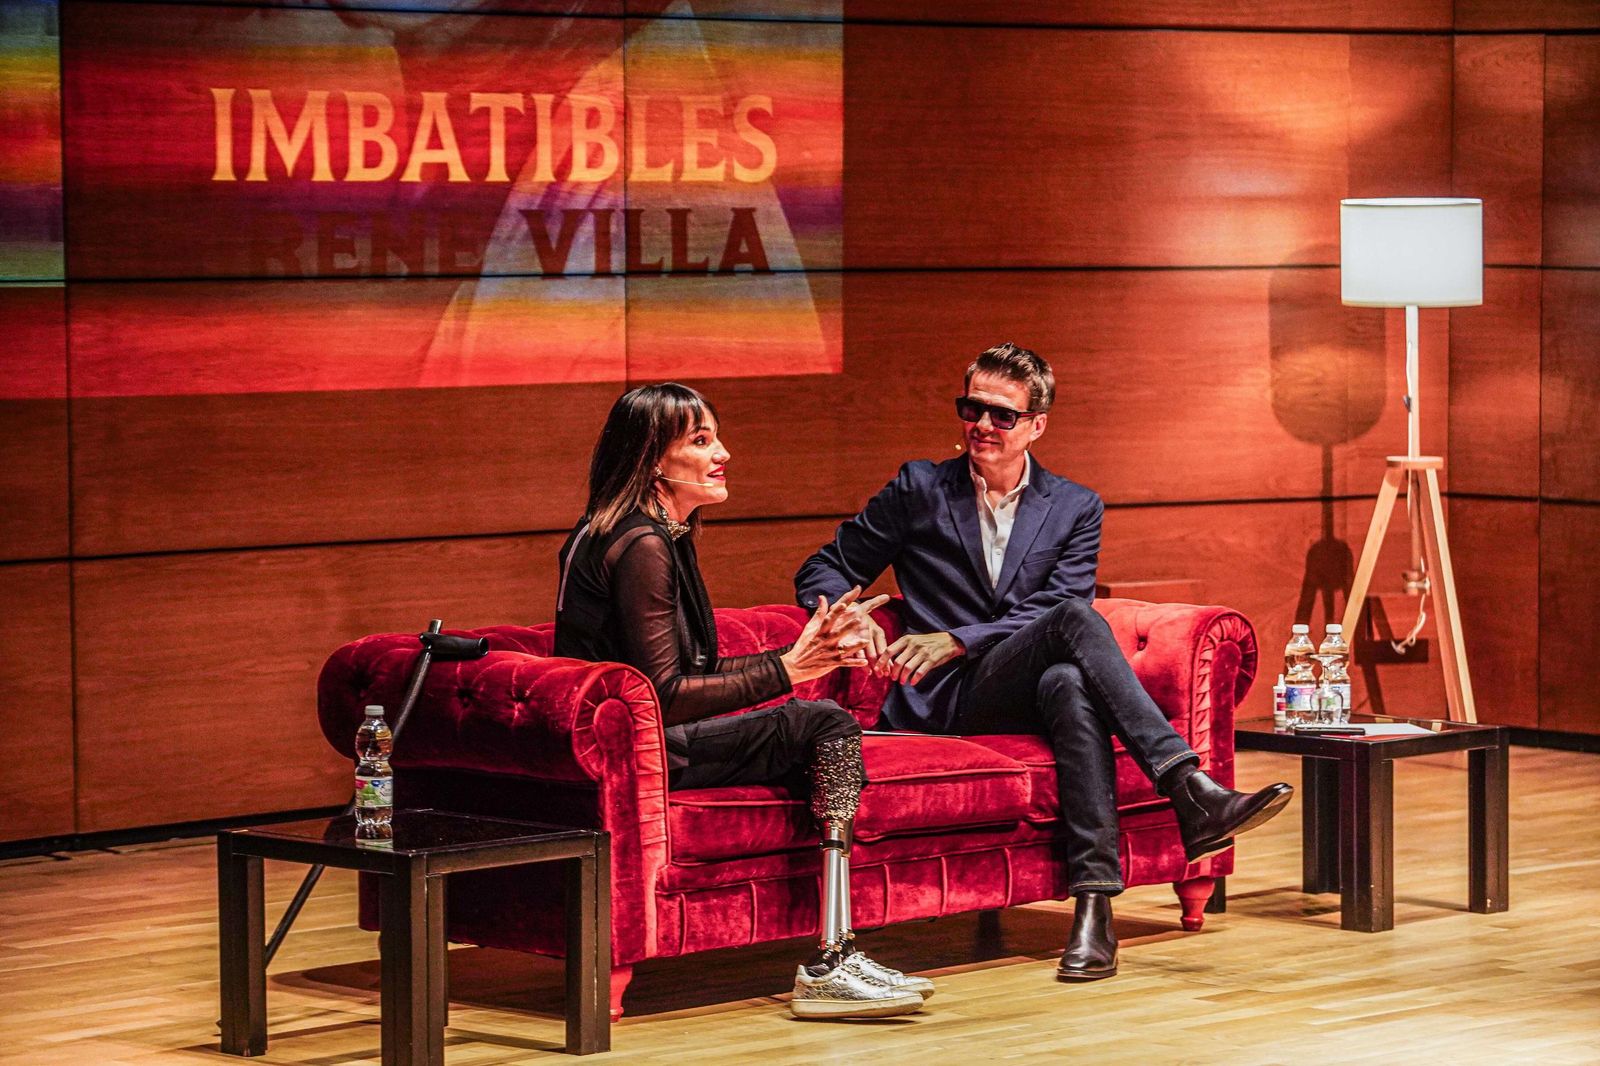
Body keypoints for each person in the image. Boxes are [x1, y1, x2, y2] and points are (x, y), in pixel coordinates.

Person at [795, 342, 1293, 981]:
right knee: (1074, 624)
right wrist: (846, 610)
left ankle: (1094, 909)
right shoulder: (919, 487)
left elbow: (1057, 608)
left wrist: (958, 637)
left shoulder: (1074, 506)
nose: (983, 425)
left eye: (1003, 415)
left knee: (1066, 680)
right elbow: (824, 566)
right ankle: (1187, 790)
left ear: (1036, 425)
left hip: (1013, 680)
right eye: (972, 408)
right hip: (943, 697)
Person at [554, 382, 934, 1019]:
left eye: (717, 437)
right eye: (701, 442)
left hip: (635, 746)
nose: (722, 453)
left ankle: (831, 947)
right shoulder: (642, 544)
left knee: (814, 727)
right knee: (827, 723)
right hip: (641, 754)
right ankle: (830, 959)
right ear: (653, 459)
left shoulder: (643, 533)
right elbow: (667, 697)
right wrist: (790, 669)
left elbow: (686, 671)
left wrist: (795, 665)